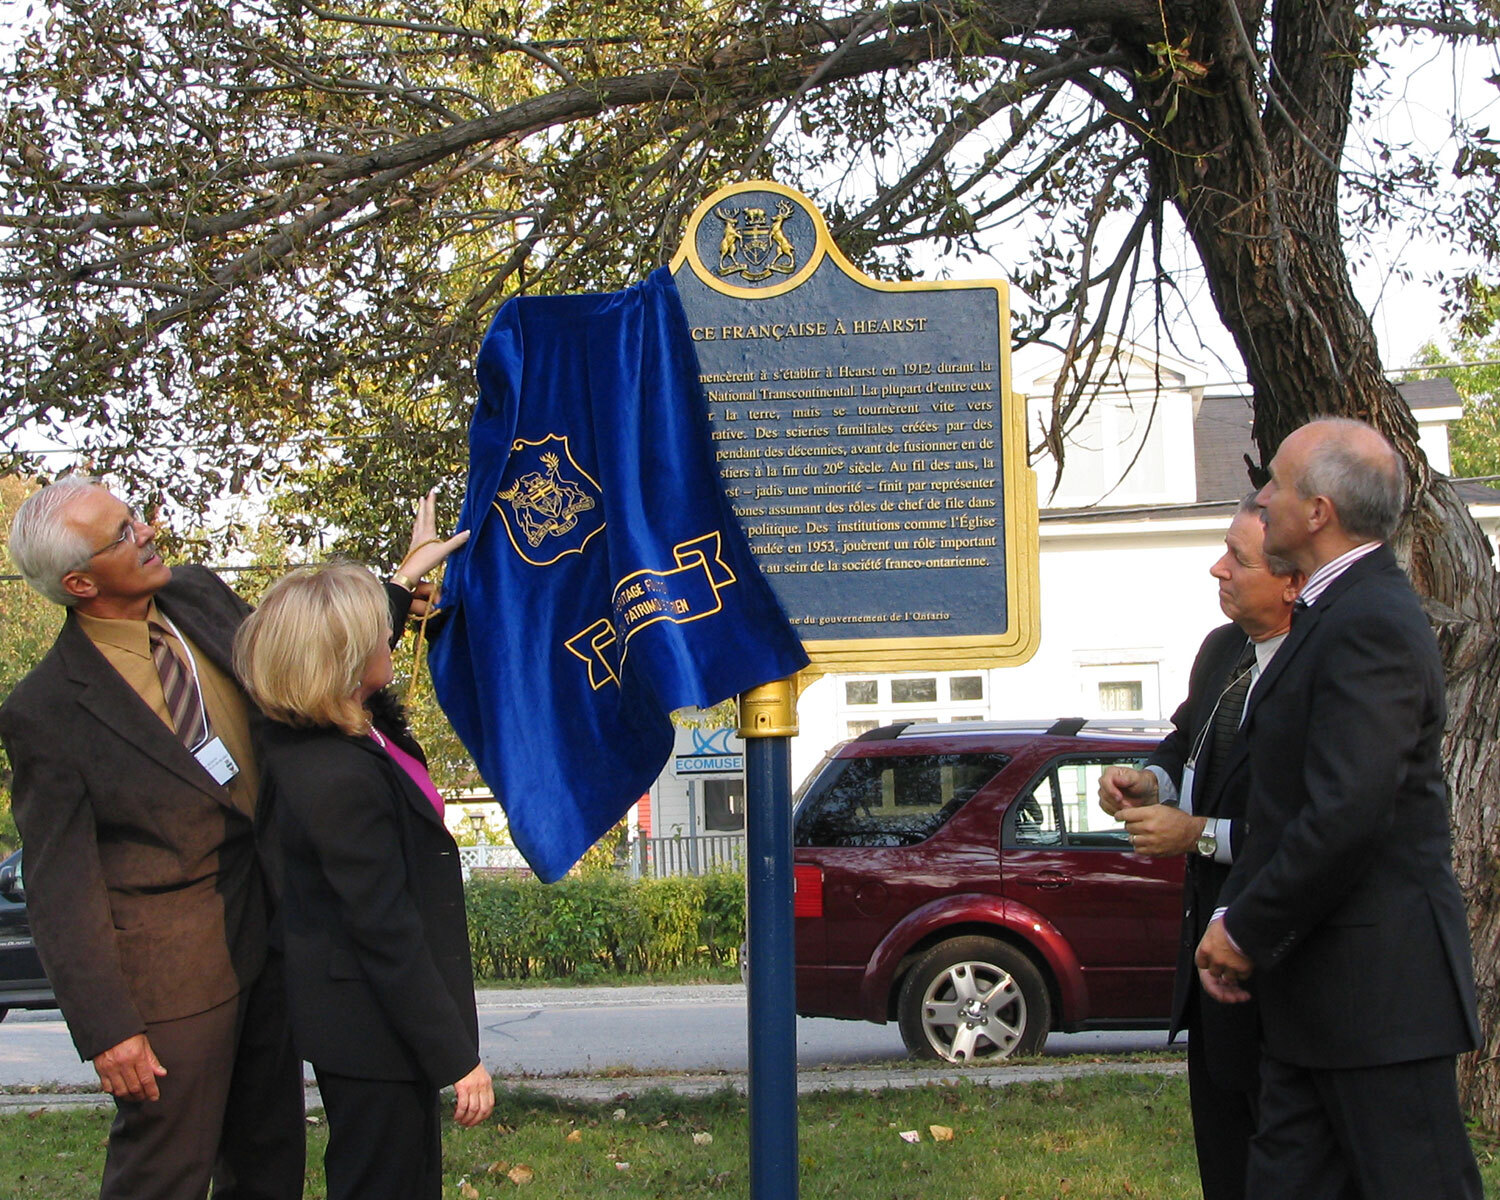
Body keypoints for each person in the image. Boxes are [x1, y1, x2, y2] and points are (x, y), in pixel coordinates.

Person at [0, 476, 460, 1200]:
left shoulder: (196, 594)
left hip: (279, 941)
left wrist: (394, 592)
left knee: (269, 1159)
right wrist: (107, 1027)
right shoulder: (46, 710)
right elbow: (60, 882)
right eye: (122, 535)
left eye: (137, 517)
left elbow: (299, 669)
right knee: (165, 1171)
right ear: (80, 582)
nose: (148, 532)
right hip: (174, 984)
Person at [1195, 418, 1482, 1200]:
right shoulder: (1328, 618)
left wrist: (1247, 927)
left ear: (1317, 511)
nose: (1263, 499)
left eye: (1277, 487)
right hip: (1312, 1002)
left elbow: (1347, 813)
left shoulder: (1374, 623)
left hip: (1379, 1000)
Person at [234, 561, 493, 1200]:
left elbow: (333, 640)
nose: (391, 633)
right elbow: (384, 930)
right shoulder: (334, 777)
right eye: (379, 629)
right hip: (370, 1025)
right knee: (383, 1181)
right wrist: (457, 1057)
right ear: (346, 660)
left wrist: (403, 576)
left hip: (376, 1018)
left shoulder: (337, 726)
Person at [1098, 495, 1303, 1200]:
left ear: (1291, 582)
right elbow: (1186, 741)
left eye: (1237, 559)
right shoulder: (1223, 650)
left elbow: (1318, 828)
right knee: (1226, 1167)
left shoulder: (1319, 668)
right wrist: (1147, 780)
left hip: (1281, 971)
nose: (1216, 567)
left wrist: (1198, 836)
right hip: (1209, 975)